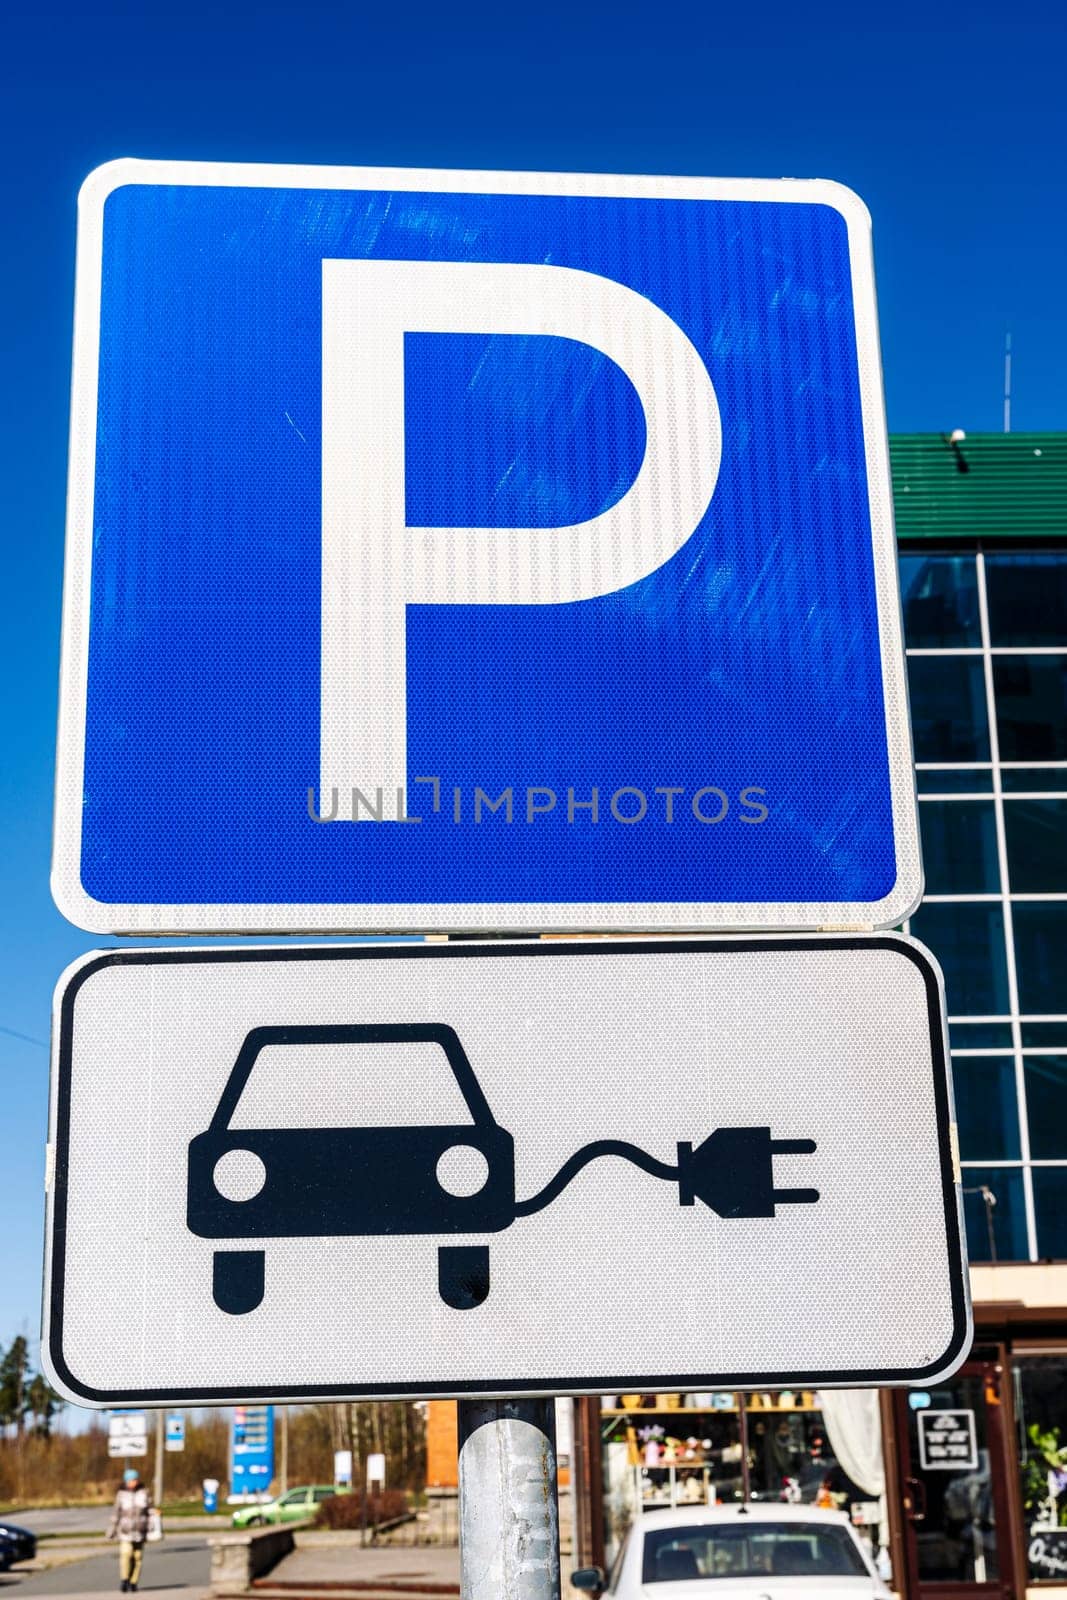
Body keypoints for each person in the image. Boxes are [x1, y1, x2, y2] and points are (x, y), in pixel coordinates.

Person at [106, 1468, 153, 1592]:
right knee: (126, 1554)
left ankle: (133, 1582)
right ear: (126, 1481)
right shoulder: (121, 1494)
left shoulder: (144, 1492)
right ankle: (124, 1579)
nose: (134, 1482)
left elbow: (150, 1510)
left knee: (137, 1557)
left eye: (136, 1479)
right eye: (131, 1480)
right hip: (125, 1530)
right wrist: (112, 1530)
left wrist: (152, 1526)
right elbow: (116, 1513)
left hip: (140, 1530)